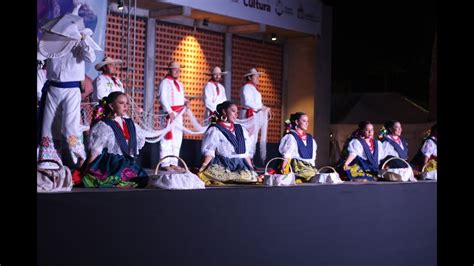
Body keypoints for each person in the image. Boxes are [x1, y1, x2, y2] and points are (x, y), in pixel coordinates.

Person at [37, 4, 98, 170]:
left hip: (71, 90)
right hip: (53, 88)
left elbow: (90, 57)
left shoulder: (79, 45)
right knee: (49, 126)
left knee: (70, 127)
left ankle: (79, 157)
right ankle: (50, 160)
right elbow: (40, 54)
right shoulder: (51, 43)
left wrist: (83, 39)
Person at [81, 91, 148, 188]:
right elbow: (95, 151)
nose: (125, 106)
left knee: (142, 177)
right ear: (111, 106)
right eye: (121, 103)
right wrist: (87, 169)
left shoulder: (130, 124)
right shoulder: (104, 125)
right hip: (110, 163)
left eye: (126, 103)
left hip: (126, 162)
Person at [199, 101, 260, 185]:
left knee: (250, 177)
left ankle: (235, 177)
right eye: (233, 111)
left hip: (240, 165)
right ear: (224, 111)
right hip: (222, 163)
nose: (236, 115)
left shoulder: (241, 129)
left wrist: (251, 168)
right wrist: (203, 167)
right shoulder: (215, 129)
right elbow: (210, 151)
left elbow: (245, 154)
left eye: (237, 112)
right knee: (215, 175)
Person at [157, 61, 189, 172]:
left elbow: (179, 97)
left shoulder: (179, 84)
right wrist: (169, 111)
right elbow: (162, 98)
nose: (177, 71)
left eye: (178, 69)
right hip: (169, 113)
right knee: (167, 138)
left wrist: (185, 101)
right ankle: (165, 163)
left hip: (178, 113)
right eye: (174, 69)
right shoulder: (165, 82)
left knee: (177, 138)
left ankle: (174, 162)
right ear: (169, 70)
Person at [239, 67, 270, 158]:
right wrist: (261, 108)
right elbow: (248, 102)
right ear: (249, 77)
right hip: (248, 115)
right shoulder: (246, 88)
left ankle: (250, 158)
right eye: (255, 76)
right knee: (247, 137)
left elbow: (259, 104)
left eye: (258, 76)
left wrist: (265, 108)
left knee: (254, 138)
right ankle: (245, 158)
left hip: (255, 116)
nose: (258, 78)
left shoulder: (256, 91)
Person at [278, 112, 317, 183]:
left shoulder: (310, 138)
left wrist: (313, 167)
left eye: (307, 121)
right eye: (304, 121)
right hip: (297, 166)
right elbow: (288, 154)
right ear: (297, 122)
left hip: (308, 167)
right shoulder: (291, 137)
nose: (307, 123)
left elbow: (313, 156)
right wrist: (283, 167)